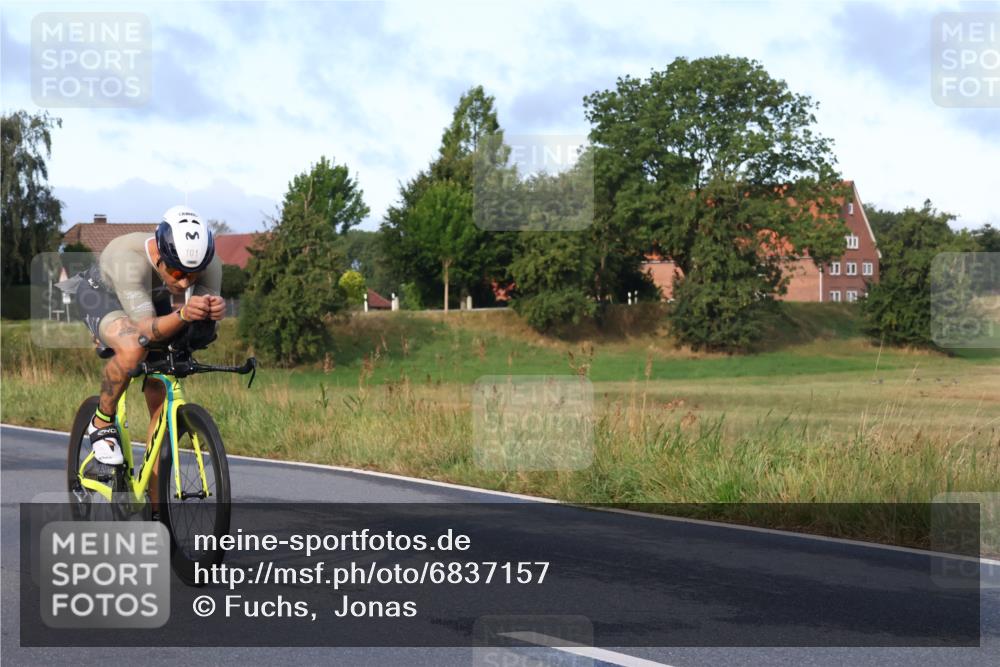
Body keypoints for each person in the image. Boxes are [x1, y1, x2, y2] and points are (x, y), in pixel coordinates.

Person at [74, 206, 225, 487]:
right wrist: (181, 315)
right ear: (159, 254)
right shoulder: (128, 258)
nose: (184, 282)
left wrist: (212, 314)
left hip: (150, 300)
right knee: (134, 346)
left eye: (193, 275)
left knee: (161, 383)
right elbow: (146, 331)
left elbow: (200, 333)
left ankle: (155, 508)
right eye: (178, 271)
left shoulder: (211, 263)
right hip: (102, 296)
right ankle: (102, 422)